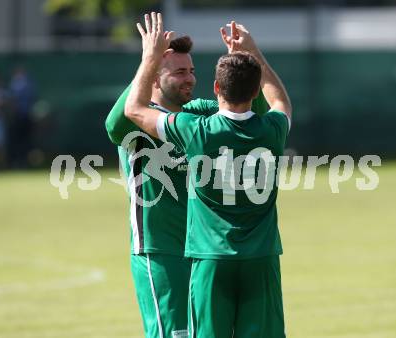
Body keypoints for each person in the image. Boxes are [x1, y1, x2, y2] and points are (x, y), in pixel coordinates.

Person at [125, 12, 292, 338]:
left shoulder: (196, 130)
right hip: (261, 256)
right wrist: (253, 53)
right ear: (256, 89)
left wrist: (150, 57)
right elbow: (280, 100)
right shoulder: (274, 129)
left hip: (211, 259)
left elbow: (134, 109)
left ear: (216, 87)